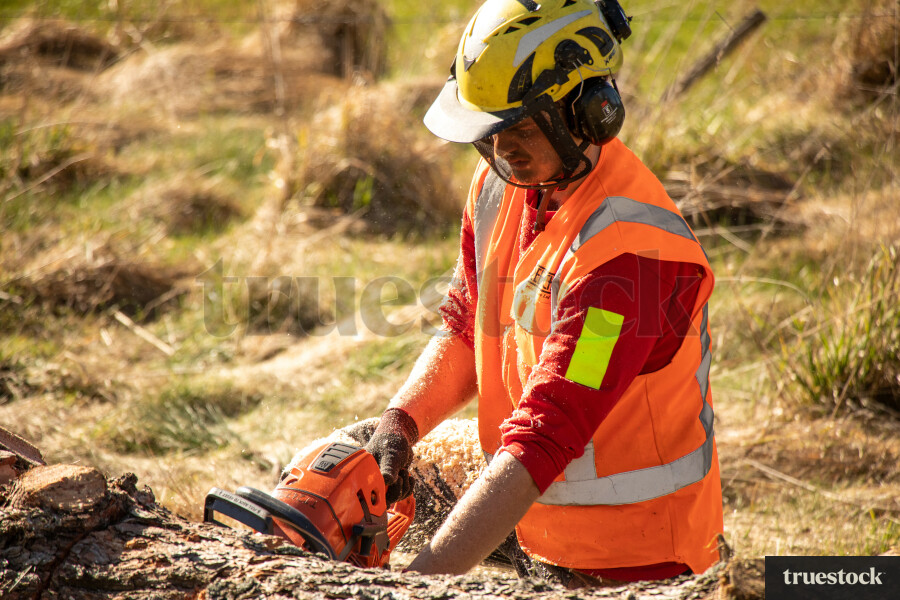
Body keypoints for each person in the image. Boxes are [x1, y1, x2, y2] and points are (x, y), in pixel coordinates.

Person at [363, 0, 724, 586]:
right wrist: (399, 424)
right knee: (339, 473)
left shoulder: (628, 263)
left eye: (522, 128)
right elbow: (468, 325)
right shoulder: (505, 184)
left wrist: (419, 585)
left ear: (589, 113)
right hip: (532, 509)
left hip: (633, 562)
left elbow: (546, 437)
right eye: (490, 132)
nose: (503, 151)